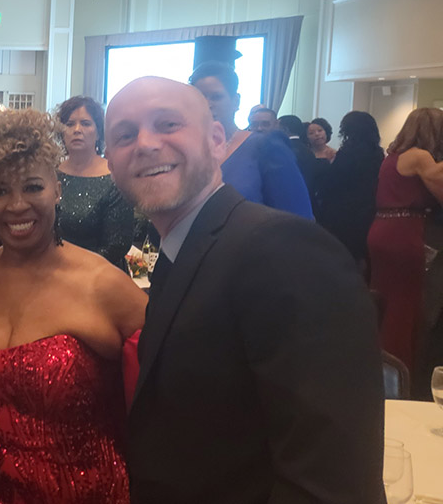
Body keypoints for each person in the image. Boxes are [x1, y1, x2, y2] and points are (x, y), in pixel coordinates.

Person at [104, 77, 383, 504]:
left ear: (218, 141)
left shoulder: (283, 249)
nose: (145, 144)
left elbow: (328, 482)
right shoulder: (183, 250)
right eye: (125, 135)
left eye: (167, 124)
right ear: (111, 162)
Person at [0, 108, 145, 504]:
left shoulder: (103, 283)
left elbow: (170, 395)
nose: (17, 205)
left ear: (58, 188)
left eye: (33, 187)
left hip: (79, 491)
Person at [367, 107, 443, 373]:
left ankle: (378, 363)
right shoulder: (420, 157)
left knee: (385, 302)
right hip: (404, 232)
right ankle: (398, 370)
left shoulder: (392, 156)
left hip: (382, 229)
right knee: (404, 306)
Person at [190, 62, 312, 218]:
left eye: (216, 97)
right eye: (200, 97)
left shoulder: (265, 146)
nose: (208, 104)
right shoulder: (189, 150)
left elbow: (298, 217)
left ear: (236, 101)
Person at [54, 95, 135, 270]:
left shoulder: (115, 177)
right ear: (62, 132)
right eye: (70, 124)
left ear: (99, 132)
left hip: (102, 275)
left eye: (85, 123)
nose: (77, 129)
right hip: (54, 271)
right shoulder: (51, 175)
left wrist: (75, 270)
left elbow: (117, 244)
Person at [317, 111, 383, 263]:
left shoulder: (347, 153)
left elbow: (332, 182)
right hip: (368, 209)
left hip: (343, 211)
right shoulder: (377, 154)